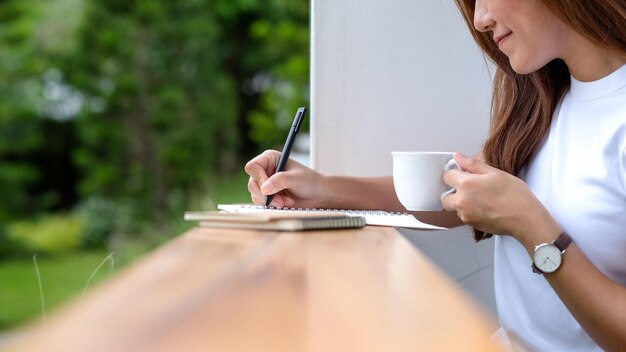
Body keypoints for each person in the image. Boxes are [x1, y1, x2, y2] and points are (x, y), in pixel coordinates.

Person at [244, 0, 626, 350]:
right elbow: (454, 193)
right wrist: (323, 190)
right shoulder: (547, 97)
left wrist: (533, 228)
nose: (480, 20)